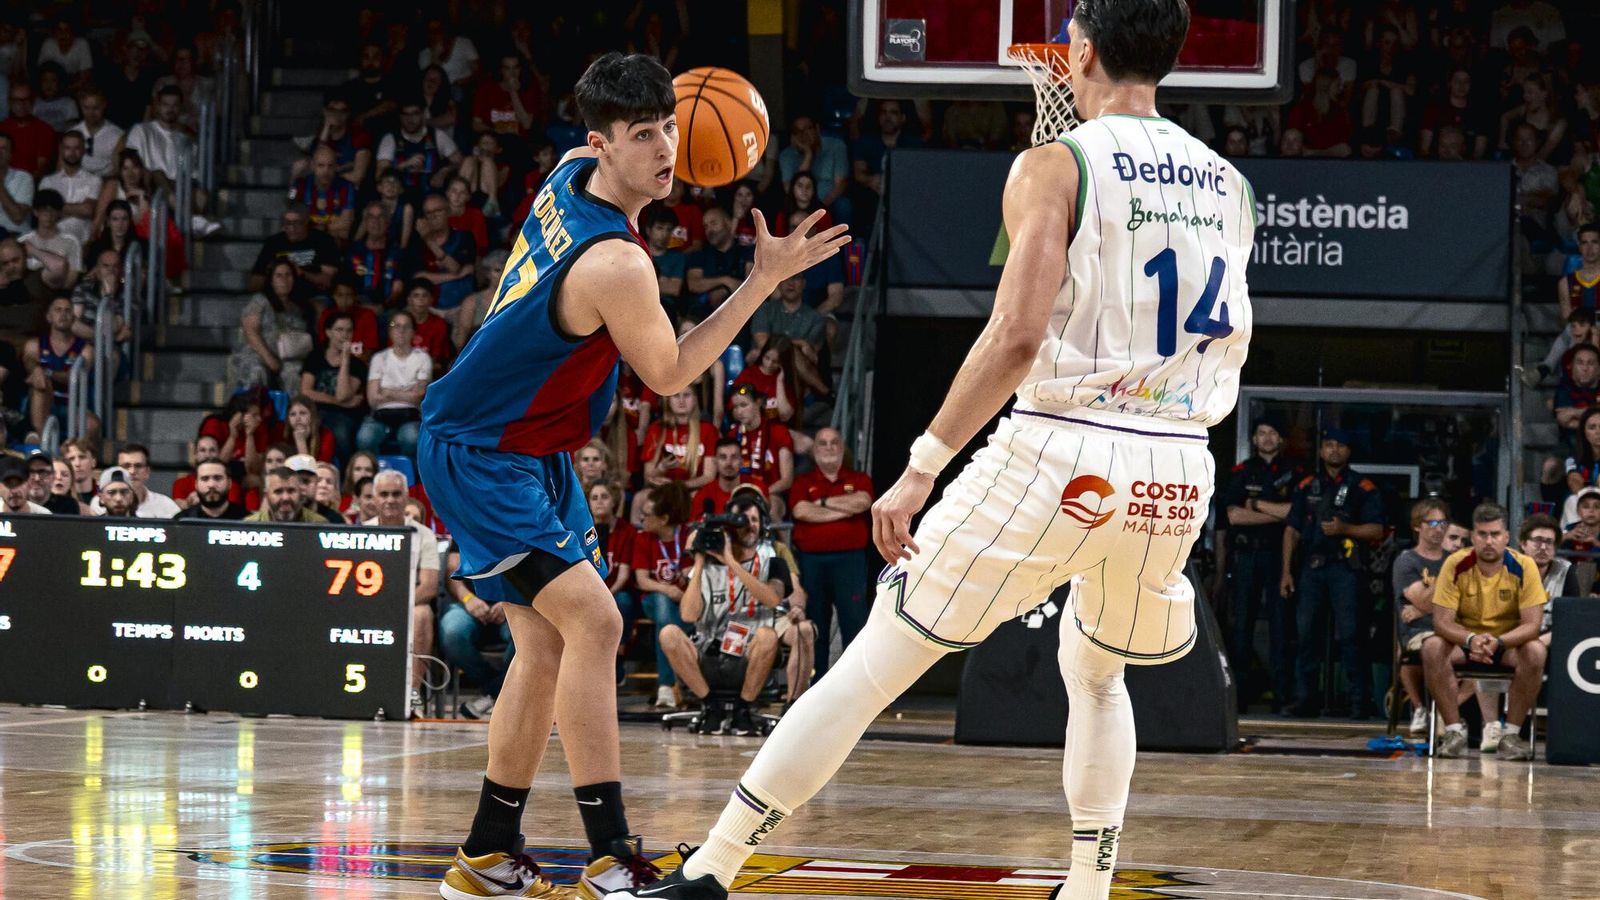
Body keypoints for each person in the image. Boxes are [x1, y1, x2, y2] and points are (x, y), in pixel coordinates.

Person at [616, 6, 1245, 899]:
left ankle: (713, 866)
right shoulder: (1229, 184)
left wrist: (921, 465)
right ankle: (1088, 884)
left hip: (1068, 448)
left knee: (878, 659)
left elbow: (1018, 335)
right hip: (1181, 461)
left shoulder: (1055, 164)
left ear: (1083, 52)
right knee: (1096, 671)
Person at [415, 50, 847, 900]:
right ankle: (612, 855)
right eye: (644, 135)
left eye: (671, 129)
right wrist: (761, 280)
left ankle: (485, 854)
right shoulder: (616, 263)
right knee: (600, 624)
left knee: (544, 644)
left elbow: (596, 175)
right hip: (481, 450)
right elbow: (672, 372)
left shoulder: (573, 172)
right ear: (601, 144)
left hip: (534, 447)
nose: (666, 149)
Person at [1423, 503, 1547, 760]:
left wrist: (1498, 642)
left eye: (1495, 534)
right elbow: (1442, 622)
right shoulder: (1455, 564)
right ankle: (1454, 732)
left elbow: (1532, 625)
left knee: (1535, 651)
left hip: (1506, 644)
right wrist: (1471, 640)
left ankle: (1511, 735)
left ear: (1506, 537)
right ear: (1472, 536)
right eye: (1482, 534)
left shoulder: (1524, 566)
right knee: (1432, 646)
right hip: (1463, 641)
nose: (1488, 541)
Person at [663, 494, 796, 735]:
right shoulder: (707, 566)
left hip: (750, 654)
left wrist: (731, 562)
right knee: (669, 634)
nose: (750, 525)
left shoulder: (774, 562)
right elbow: (688, 615)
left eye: (755, 519)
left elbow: (772, 598)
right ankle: (710, 706)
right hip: (709, 652)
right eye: (743, 520)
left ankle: (743, 711)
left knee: (768, 635)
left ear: (763, 523)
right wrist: (701, 562)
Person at [1281, 428, 1384, 718]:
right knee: (1305, 636)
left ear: (1349, 451)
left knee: (1351, 636)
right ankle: (1305, 699)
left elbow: (1377, 529)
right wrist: (1286, 572)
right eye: (1328, 445)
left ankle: (1358, 701)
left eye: (1340, 445)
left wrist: (1345, 529)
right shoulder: (1307, 485)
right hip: (1311, 569)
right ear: (1321, 450)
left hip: (1345, 568)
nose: (1334, 450)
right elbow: (1292, 530)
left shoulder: (1362, 487)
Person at [1220, 418, 1302, 712]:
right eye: (1261, 433)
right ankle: (1239, 699)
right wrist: (1277, 514)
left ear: (1281, 439)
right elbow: (1233, 517)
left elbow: (1297, 512)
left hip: (1279, 557)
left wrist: (1254, 505)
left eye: (1272, 433)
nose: (1267, 438)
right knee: (1242, 627)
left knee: (1282, 627)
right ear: (1254, 439)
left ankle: (1283, 697)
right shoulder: (1242, 471)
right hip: (1246, 557)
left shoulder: (1294, 471)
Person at [787, 427, 874, 679]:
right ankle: (816, 685)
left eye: (834, 442)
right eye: (822, 443)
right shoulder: (803, 482)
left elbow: (863, 502)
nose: (828, 447)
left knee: (854, 625)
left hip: (850, 561)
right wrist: (845, 511)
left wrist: (822, 504)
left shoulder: (858, 478)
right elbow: (801, 511)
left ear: (842, 448)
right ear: (814, 451)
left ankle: (855, 685)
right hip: (812, 562)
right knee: (816, 626)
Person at [367, 469, 440, 716]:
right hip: (365, 606)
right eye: (384, 494)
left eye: (396, 494)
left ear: (406, 497)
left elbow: (429, 586)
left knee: (422, 614)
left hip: (408, 606)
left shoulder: (424, 535)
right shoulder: (361, 532)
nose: (390, 500)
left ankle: (412, 693)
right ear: (374, 498)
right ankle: (366, 694)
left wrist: (396, 607)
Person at [1392, 497, 1453, 734]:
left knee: (1483, 651)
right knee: (1435, 646)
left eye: (1443, 523)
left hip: (1451, 628)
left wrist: (1421, 608)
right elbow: (1423, 599)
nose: (1439, 529)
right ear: (1417, 526)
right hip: (1420, 631)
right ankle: (1421, 708)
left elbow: (1468, 603)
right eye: (1432, 523)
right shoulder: (1407, 561)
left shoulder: (1453, 559)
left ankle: (1446, 711)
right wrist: (1449, 581)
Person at [441, 547, 517, 720]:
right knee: (452, 630)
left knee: (527, 638)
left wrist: (510, 600)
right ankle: (497, 689)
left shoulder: (520, 522)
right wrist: (468, 599)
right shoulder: (471, 520)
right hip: (469, 604)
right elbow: (452, 568)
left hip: (514, 603)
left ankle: (492, 695)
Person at [228, 259, 313, 392]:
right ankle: (253, 411)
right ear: (271, 279)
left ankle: (292, 411)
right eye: (279, 275)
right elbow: (250, 330)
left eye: (288, 275)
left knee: (295, 373)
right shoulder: (260, 300)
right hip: (257, 354)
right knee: (257, 371)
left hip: (286, 357)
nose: (284, 279)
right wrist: (269, 358)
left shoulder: (297, 307)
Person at [358, 310, 430, 457]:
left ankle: (412, 478)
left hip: (411, 415)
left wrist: (388, 392)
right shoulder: (379, 358)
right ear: (390, 331)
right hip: (380, 415)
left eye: (406, 326)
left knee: (412, 438)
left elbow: (419, 396)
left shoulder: (422, 358)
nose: (401, 330)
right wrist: (407, 393)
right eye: (396, 326)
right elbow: (372, 399)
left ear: (413, 332)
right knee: (365, 438)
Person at [23, 296, 95, 441]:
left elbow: (74, 379)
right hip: (40, 402)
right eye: (58, 310)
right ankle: (43, 441)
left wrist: (47, 371)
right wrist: (37, 369)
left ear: (74, 318)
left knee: (92, 424)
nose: (63, 314)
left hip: (71, 404)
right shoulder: (34, 345)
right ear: (49, 317)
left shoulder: (85, 349)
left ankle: (77, 457)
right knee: (40, 383)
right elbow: (29, 365)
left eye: (68, 310)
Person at [38, 130, 102, 246]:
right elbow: (44, 212)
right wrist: (78, 209)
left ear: (83, 150)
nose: (72, 153)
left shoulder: (94, 180)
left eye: (77, 148)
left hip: (82, 241)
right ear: (61, 150)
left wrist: (56, 207)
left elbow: (88, 210)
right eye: (68, 148)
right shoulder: (48, 181)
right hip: (52, 238)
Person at [88, 443, 180, 518]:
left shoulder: (166, 505)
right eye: (126, 466)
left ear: (147, 472)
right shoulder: (99, 503)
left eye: (138, 466)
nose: (132, 471)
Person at [691, 439, 766, 515]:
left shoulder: (756, 488)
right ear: (715, 462)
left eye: (734, 457)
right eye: (723, 457)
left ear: (741, 461)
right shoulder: (703, 495)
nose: (729, 463)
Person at [173, 459, 247, 519]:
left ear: (229, 483)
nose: (211, 484)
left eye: (218, 478)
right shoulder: (182, 521)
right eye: (205, 479)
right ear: (196, 484)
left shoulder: (246, 520)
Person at [246, 466, 325, 523]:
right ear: (266, 495)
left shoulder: (318, 524)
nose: (285, 498)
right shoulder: (251, 525)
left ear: (300, 493)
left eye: (291, 491)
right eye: (278, 491)